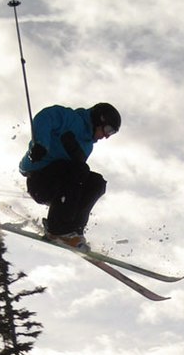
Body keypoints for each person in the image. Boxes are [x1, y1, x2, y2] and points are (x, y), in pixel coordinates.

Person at [19, 102, 121, 250]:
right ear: (99, 120)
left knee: (97, 183)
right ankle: (57, 229)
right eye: (108, 130)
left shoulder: (88, 146)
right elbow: (44, 117)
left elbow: (74, 184)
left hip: (58, 186)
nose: (106, 136)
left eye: (111, 133)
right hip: (39, 179)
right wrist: (41, 144)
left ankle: (73, 230)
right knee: (79, 169)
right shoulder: (71, 119)